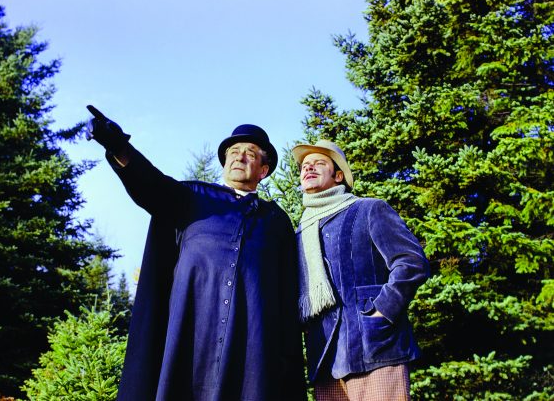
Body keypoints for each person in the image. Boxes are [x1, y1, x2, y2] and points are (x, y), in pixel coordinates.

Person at [85, 105, 307, 401]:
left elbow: (286, 295)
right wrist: (117, 146)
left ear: (263, 170)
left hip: (250, 350)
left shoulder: (276, 222)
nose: (240, 157)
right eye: (234, 151)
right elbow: (150, 184)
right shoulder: (192, 197)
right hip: (191, 336)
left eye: (250, 154)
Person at [291, 139, 430, 401]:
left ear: (339, 175)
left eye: (318, 163)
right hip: (326, 361)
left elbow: (411, 262)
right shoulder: (300, 233)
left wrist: (381, 313)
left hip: (375, 350)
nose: (308, 169)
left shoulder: (369, 209)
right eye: (304, 166)